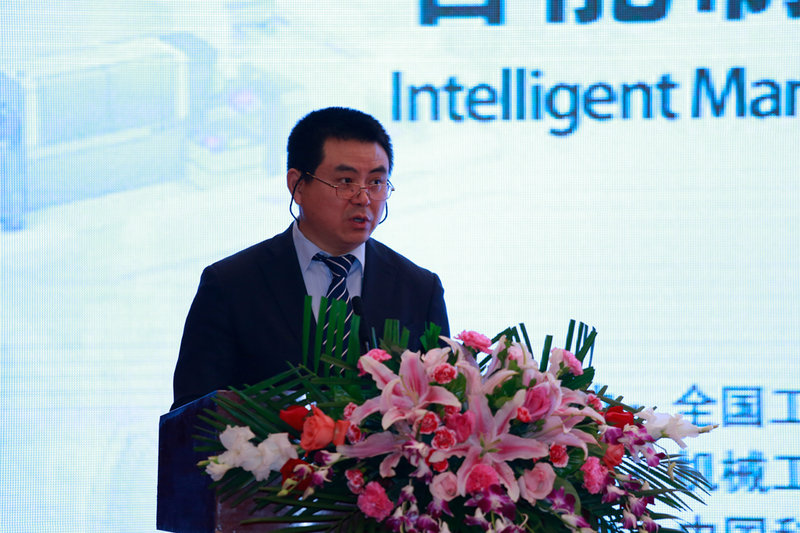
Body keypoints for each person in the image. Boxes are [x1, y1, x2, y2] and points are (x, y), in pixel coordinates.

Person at [171, 107, 449, 410]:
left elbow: (441, 407)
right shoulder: (231, 285)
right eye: (345, 181)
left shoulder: (419, 289)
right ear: (298, 185)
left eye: (376, 182)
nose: (363, 198)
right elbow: (192, 416)